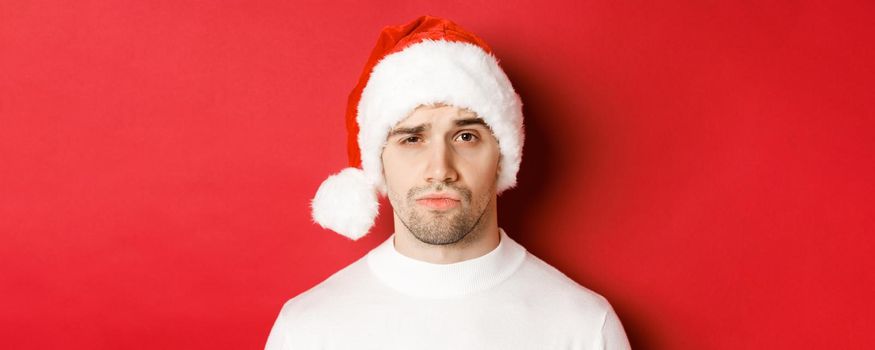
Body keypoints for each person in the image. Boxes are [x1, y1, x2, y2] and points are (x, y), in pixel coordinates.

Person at [264, 15, 631, 350]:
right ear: (378, 160)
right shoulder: (307, 330)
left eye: (466, 137)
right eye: (412, 139)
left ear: (503, 153)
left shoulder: (584, 326)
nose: (440, 170)